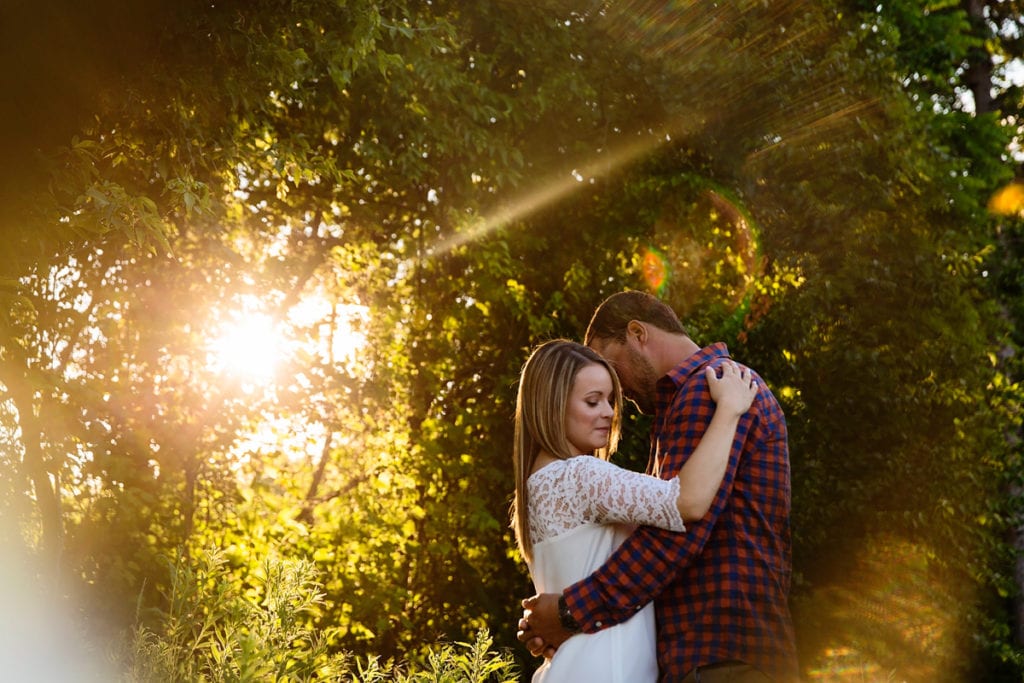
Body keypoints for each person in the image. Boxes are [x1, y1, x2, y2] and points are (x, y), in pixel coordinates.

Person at [517, 291, 799, 682]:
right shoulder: (682, 404)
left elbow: (676, 535)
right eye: (594, 398)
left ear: (637, 334)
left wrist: (568, 613)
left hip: (717, 656)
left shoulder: (707, 390)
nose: (616, 404)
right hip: (711, 657)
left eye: (612, 375)